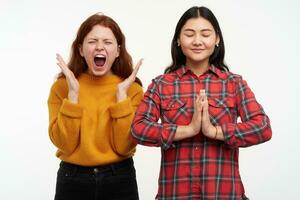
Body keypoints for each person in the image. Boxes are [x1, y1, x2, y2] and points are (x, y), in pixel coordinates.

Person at [131, 6, 272, 200]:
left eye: (205, 34)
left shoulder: (234, 83)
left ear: (217, 40)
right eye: (189, 34)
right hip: (175, 194)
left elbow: (263, 127)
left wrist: (215, 131)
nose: (197, 41)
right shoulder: (161, 85)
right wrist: (188, 129)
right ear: (178, 40)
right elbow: (138, 129)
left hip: (224, 194)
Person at [48, 13, 143, 200]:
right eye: (92, 41)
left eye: (107, 42)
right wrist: (73, 95)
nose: (100, 46)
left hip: (120, 178)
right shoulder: (62, 87)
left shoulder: (132, 89)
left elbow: (124, 147)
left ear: (117, 50)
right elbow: (64, 144)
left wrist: (121, 98)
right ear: (81, 49)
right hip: (72, 179)